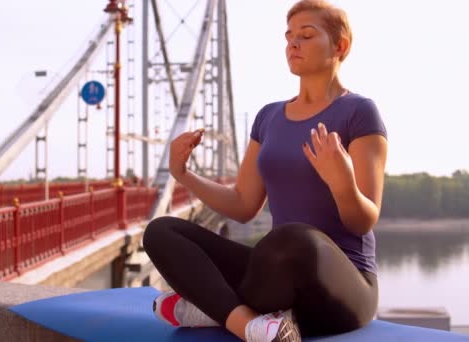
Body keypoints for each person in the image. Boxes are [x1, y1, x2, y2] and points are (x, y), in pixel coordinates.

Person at [142, 0, 388, 341]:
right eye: (288, 37)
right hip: (274, 273)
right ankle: (249, 325)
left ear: (340, 46)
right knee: (162, 231)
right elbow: (244, 204)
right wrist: (182, 174)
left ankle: (209, 309)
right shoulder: (269, 117)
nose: (293, 44)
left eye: (306, 35)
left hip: (344, 289)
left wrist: (342, 183)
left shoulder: (359, 112)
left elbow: (364, 220)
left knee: (292, 239)